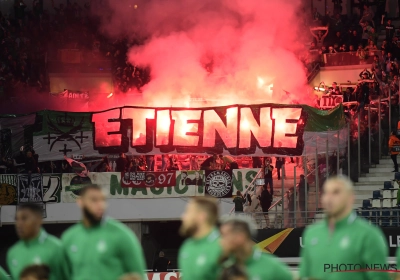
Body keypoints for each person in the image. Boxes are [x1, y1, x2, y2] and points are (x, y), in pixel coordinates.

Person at [299, 176, 390, 280]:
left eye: (336, 192)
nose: (329, 198)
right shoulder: (311, 233)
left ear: (350, 198)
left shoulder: (368, 235)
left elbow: (379, 277)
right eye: (325, 193)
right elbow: (304, 275)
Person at [62, 185, 146, 280]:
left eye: (103, 200)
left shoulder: (122, 235)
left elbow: (138, 275)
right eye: (94, 200)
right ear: (80, 202)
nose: (100, 205)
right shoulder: (69, 237)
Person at [6, 204, 69, 280]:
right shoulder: (12, 253)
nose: (19, 224)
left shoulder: (57, 248)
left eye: (24, 218)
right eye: (17, 219)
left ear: (39, 220)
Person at [219, 216, 292, 280]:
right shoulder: (220, 267)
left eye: (224, 236)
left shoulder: (272, 266)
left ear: (240, 237)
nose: (220, 241)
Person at [178, 197, 221, 280]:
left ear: (201, 216)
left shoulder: (222, 246)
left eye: (188, 212)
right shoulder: (186, 246)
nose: (183, 216)